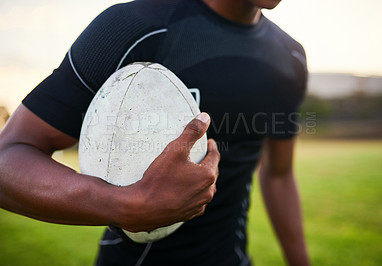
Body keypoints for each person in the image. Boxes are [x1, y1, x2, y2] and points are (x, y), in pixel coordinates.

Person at [0, 0, 310, 265]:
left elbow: (279, 174)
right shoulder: (135, 27)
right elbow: (8, 157)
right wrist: (121, 204)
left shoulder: (289, 58)